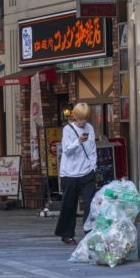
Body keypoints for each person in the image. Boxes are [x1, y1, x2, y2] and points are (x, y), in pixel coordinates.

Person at [55, 103, 98, 245]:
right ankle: (66, 234)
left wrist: (93, 167)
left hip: (87, 172)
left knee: (90, 204)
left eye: (85, 118)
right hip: (70, 173)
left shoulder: (90, 128)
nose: (82, 122)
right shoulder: (67, 129)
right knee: (69, 205)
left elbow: (92, 148)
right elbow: (66, 150)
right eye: (80, 118)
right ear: (74, 116)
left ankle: (89, 232)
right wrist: (77, 142)